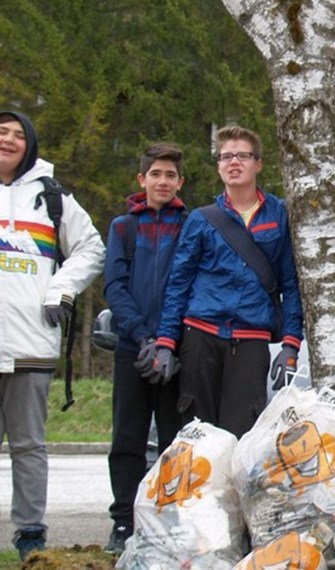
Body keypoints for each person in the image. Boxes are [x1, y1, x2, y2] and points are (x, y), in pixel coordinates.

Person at [153, 124, 303, 439]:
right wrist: (166, 342)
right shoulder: (201, 219)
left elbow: (290, 284)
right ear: (219, 165)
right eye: (226, 157)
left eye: (242, 156)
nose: (233, 163)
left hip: (251, 340)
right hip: (200, 336)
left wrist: (290, 343)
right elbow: (178, 283)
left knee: (243, 436)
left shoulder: (279, 215)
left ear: (258, 164)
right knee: (198, 438)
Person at [0, 110, 105, 560]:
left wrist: (60, 289)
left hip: (29, 343)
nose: (8, 139)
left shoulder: (52, 196)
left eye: (18, 134)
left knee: (28, 445)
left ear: (32, 144)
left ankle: (30, 536)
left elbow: (91, 248)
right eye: (1, 132)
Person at [102, 143, 188, 554]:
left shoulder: (191, 225)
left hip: (177, 352)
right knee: (128, 440)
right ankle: (123, 522)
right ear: (142, 179)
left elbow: (188, 283)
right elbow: (114, 287)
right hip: (133, 349)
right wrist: (142, 338)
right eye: (156, 174)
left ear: (180, 182)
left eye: (170, 175)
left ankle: (170, 519)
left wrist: (170, 341)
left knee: (176, 442)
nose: (163, 181)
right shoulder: (123, 227)